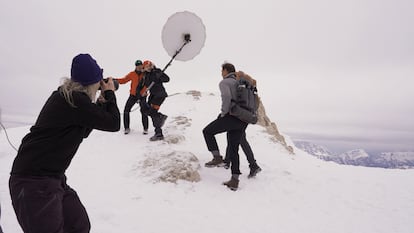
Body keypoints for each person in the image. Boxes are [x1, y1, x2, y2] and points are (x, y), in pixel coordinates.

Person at [9, 53, 120, 233]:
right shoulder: (75, 101)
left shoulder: (69, 98)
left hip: (53, 178)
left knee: (78, 224)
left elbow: (85, 129)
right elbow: (114, 124)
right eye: (98, 81)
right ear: (92, 83)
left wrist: (102, 103)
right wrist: (109, 93)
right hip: (32, 182)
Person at [202, 62, 248, 191]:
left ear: (226, 70)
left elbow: (226, 98)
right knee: (234, 149)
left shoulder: (224, 83)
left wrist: (223, 114)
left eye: (222, 70)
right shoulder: (239, 82)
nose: (221, 73)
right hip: (243, 119)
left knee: (207, 131)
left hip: (232, 116)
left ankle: (217, 158)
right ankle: (234, 180)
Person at [115, 60, 149, 135]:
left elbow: (148, 84)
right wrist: (114, 80)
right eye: (137, 65)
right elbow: (123, 80)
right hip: (133, 95)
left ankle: (145, 128)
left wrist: (144, 92)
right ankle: (127, 128)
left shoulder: (145, 74)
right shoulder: (132, 74)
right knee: (126, 110)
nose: (139, 66)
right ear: (135, 66)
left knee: (144, 111)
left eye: (140, 65)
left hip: (142, 96)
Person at [140, 60, 169, 141]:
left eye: (149, 66)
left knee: (153, 113)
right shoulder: (146, 75)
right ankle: (160, 116)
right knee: (145, 110)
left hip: (159, 95)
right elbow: (146, 85)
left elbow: (167, 79)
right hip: (152, 96)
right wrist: (143, 94)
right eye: (146, 67)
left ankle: (159, 133)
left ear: (152, 65)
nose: (148, 68)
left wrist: (158, 74)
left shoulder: (157, 71)